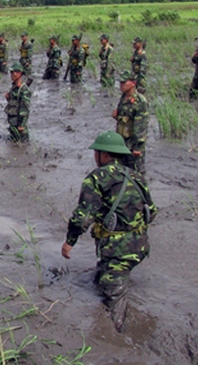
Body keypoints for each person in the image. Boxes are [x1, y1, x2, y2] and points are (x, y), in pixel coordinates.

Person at [61, 131, 158, 332]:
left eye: (96, 152)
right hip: (140, 246)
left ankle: (122, 339)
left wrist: (69, 242)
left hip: (117, 252)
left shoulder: (96, 178)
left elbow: (83, 216)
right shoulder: (136, 176)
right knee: (102, 278)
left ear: (104, 155)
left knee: (115, 303)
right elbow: (152, 211)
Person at [112, 71, 148, 174]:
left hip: (133, 145)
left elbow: (141, 126)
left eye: (124, 82)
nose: (121, 85)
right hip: (122, 141)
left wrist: (137, 147)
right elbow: (125, 118)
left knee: (136, 173)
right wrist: (117, 116)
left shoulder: (140, 102)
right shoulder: (123, 97)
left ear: (133, 83)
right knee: (121, 171)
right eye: (120, 83)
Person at [4, 62, 31, 142]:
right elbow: (14, 103)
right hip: (13, 123)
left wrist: (21, 125)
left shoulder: (23, 89)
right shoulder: (14, 87)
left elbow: (25, 108)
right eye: (11, 73)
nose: (12, 75)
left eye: (14, 72)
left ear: (20, 73)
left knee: (22, 147)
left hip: (19, 127)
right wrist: (8, 98)